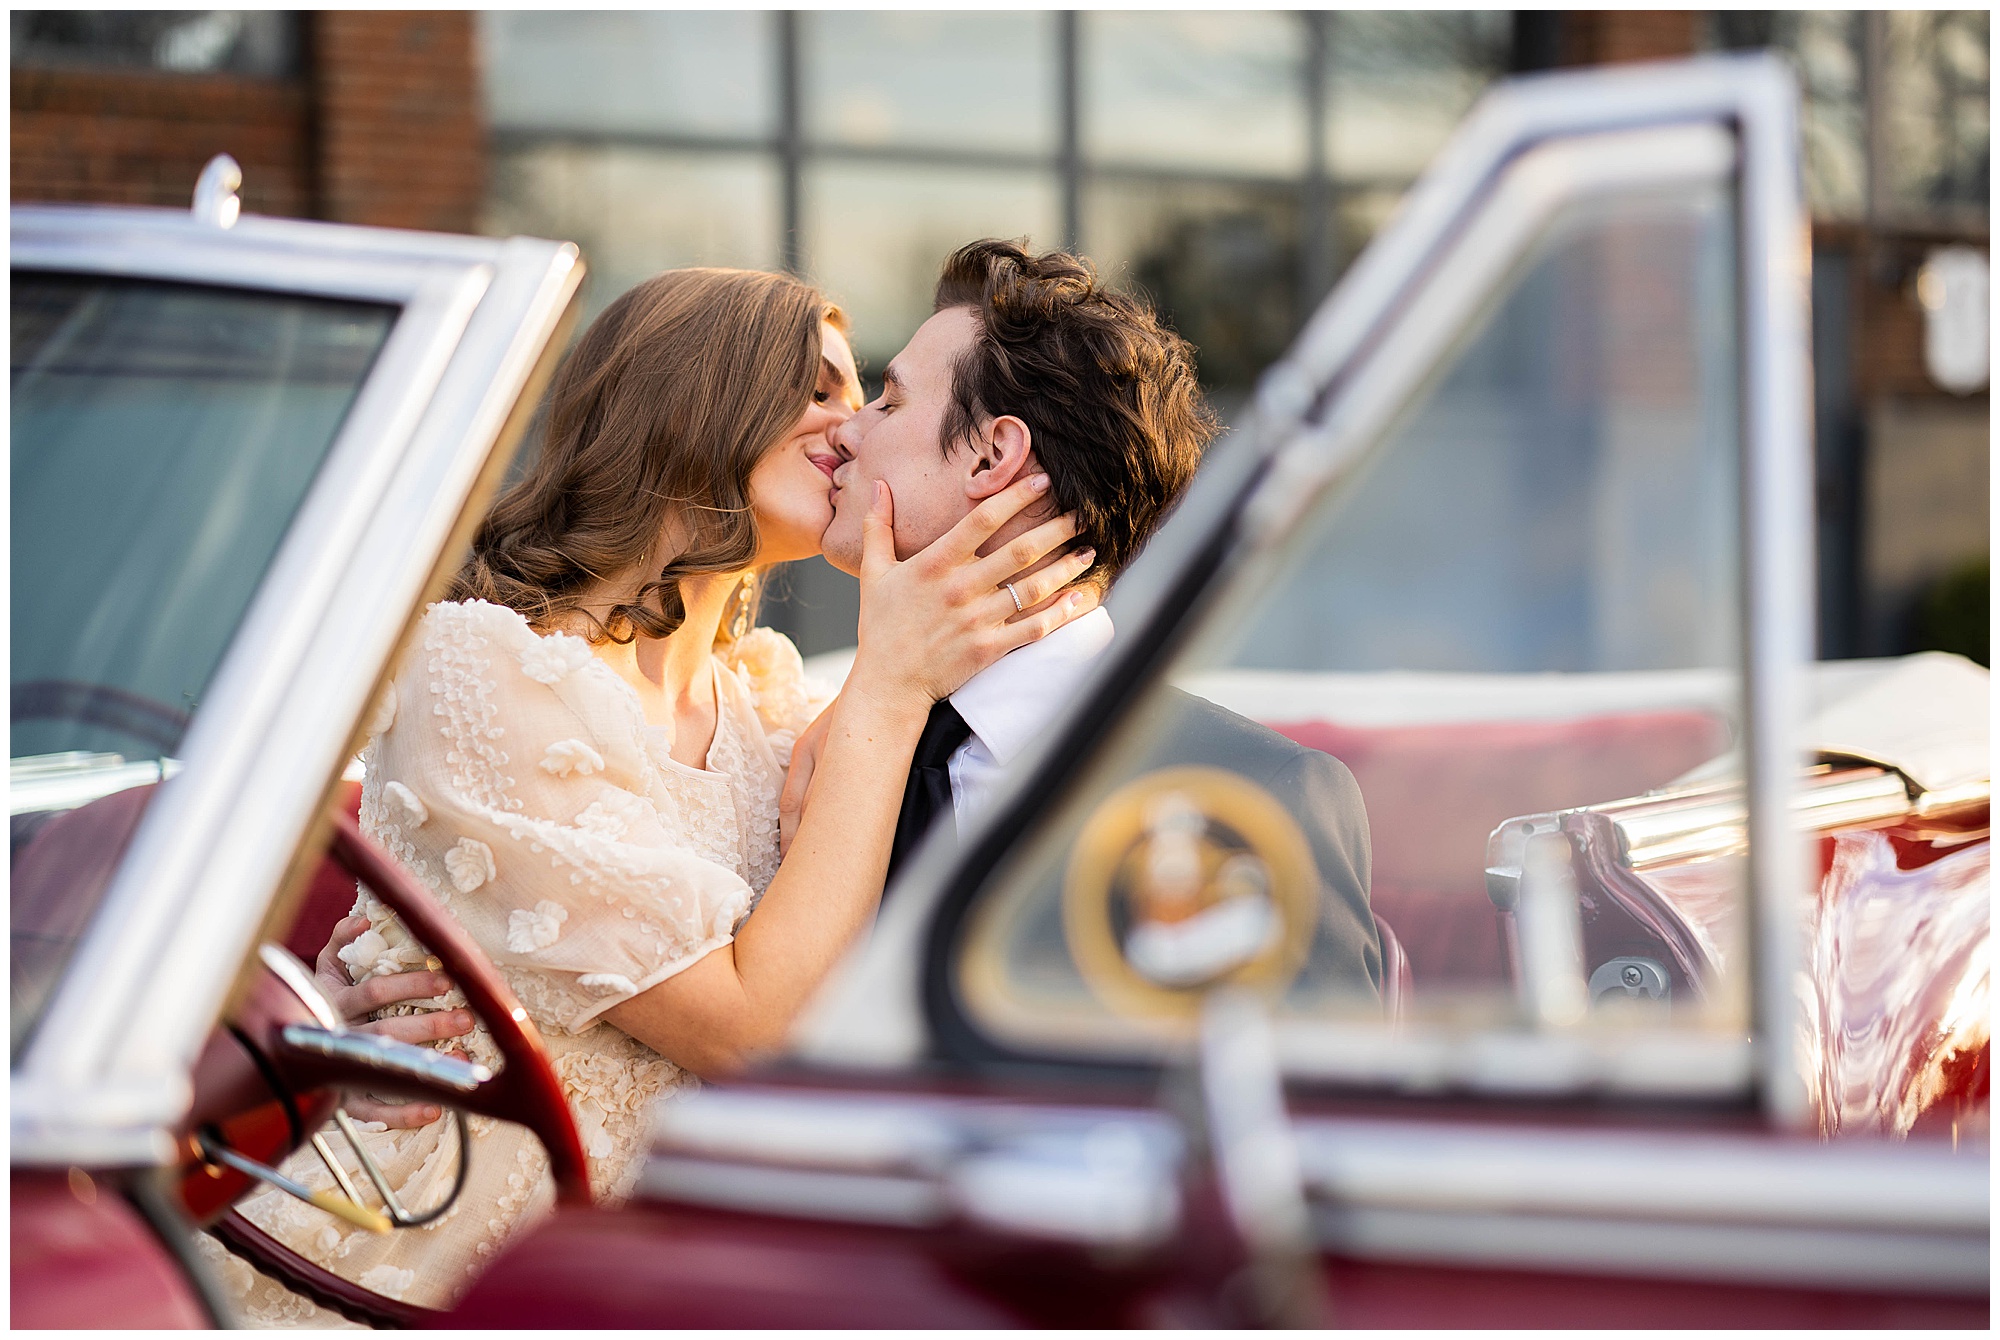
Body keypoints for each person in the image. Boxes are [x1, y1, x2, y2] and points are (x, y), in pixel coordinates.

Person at [201, 266, 1098, 1323]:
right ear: (689, 396)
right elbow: (750, 1030)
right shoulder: (478, 665)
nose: (852, 430)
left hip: (676, 1272)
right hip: (437, 1265)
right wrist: (890, 682)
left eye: (866, 399)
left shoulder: (769, 701)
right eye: (818, 389)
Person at [792, 239, 1380, 992]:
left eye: (891, 400)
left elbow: (1308, 1102)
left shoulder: (1258, 793)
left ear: (991, 457)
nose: (847, 430)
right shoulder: (833, 757)